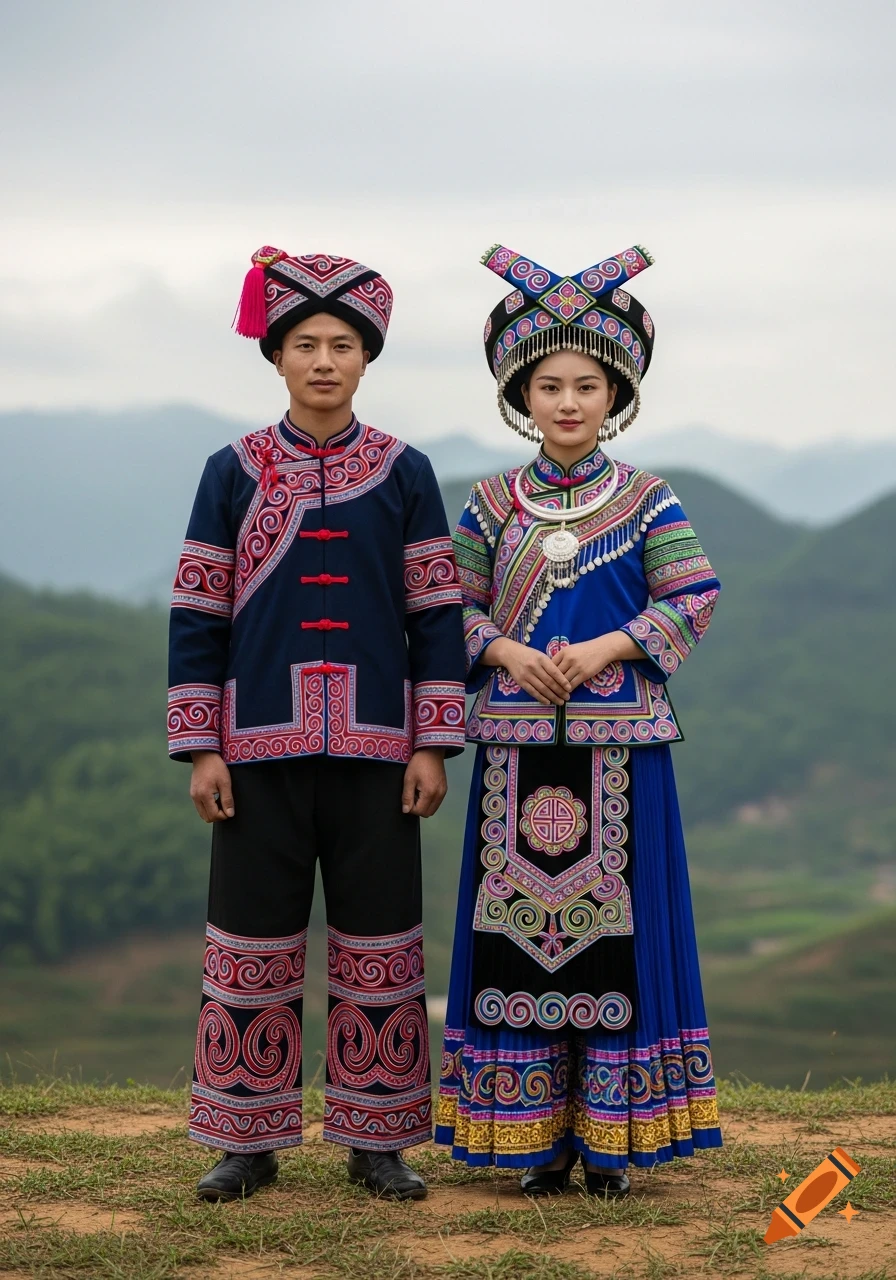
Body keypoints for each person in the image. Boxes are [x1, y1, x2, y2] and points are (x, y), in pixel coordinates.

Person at [168, 246, 466, 1202]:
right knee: (251, 937)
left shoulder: (406, 472)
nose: (325, 360)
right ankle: (246, 1140)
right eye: (306, 343)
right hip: (255, 748)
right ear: (278, 355)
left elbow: (436, 613)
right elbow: (198, 609)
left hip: (382, 750)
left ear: (368, 358)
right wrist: (201, 745)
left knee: (382, 939)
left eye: (343, 343)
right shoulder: (232, 470)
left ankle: (377, 1140)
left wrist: (431, 741)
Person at [435, 243, 723, 1195]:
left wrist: (606, 650)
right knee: (519, 929)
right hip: (516, 747)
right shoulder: (486, 506)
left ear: (616, 395)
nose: (567, 402)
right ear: (522, 396)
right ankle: (529, 1141)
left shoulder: (649, 499)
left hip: (623, 748)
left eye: (587, 385)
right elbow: (451, 612)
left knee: (619, 934)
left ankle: (612, 1142)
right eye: (548, 385)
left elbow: (694, 595)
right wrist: (506, 651)